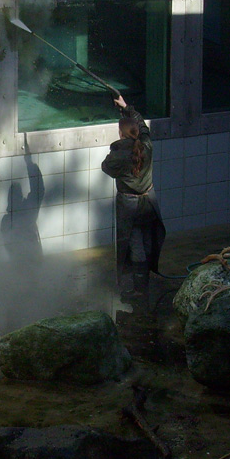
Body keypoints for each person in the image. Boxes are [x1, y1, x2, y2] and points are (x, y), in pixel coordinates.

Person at [101, 95, 166, 307]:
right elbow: (141, 123)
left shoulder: (119, 156)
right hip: (149, 200)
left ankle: (137, 290)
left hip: (129, 204)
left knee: (133, 244)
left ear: (121, 134)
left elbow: (106, 168)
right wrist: (126, 107)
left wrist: (117, 147)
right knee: (147, 241)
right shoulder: (147, 145)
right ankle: (144, 282)